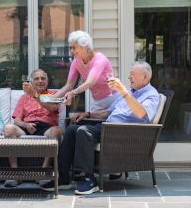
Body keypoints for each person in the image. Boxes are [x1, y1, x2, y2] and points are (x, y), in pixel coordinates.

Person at [54, 61, 160, 195]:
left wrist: (124, 93)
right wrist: (88, 114)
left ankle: (89, 179)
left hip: (123, 133)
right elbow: (108, 112)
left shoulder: (151, 94)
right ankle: (63, 177)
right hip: (108, 127)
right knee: (72, 129)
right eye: (130, 74)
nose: (129, 77)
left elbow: (141, 113)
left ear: (144, 76)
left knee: (84, 132)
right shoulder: (130, 92)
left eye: (132, 74)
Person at [3, 69, 62, 189]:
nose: (40, 81)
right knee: (9, 129)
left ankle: (43, 172)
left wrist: (36, 96)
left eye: (43, 78)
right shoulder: (24, 97)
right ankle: (15, 173)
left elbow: (52, 108)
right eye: (37, 79)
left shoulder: (53, 95)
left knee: (57, 131)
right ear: (31, 82)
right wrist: (25, 125)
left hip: (46, 126)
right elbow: (17, 120)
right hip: (27, 126)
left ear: (47, 81)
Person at [54, 30, 119, 112]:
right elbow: (69, 85)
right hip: (97, 102)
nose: (71, 51)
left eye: (74, 47)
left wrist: (73, 93)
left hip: (113, 98)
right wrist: (51, 98)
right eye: (71, 48)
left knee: (111, 124)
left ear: (85, 47)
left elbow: (90, 82)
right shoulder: (76, 62)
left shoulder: (100, 59)